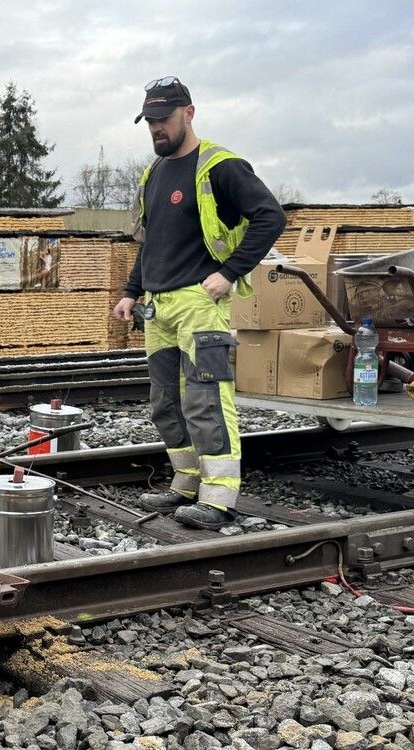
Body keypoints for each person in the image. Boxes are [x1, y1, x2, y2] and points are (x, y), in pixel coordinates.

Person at [111, 77, 285, 530]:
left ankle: (219, 498)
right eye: (149, 121)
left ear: (188, 113)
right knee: (165, 401)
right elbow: (150, 243)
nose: (155, 129)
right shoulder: (152, 174)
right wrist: (132, 291)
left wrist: (229, 273)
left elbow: (271, 217)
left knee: (206, 398)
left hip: (199, 303)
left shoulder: (220, 166)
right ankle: (187, 481)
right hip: (159, 305)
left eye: (163, 119)